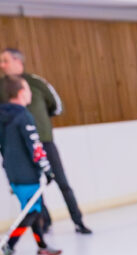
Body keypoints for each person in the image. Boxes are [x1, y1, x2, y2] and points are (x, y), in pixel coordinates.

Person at [0, 48, 92, 235]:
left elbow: (55, 106)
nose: (2, 65)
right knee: (33, 188)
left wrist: (38, 125)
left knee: (61, 181)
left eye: (5, 60)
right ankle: (44, 222)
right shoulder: (1, 87)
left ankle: (78, 221)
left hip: (44, 142)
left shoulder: (36, 82)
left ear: (18, 61)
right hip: (18, 148)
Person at [0, 75, 60, 255]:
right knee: (32, 211)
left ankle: (42, 246)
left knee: (35, 207)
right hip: (27, 173)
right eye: (27, 89)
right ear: (20, 93)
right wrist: (47, 169)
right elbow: (35, 145)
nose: (30, 94)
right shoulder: (24, 115)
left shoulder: (3, 116)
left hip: (13, 172)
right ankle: (9, 245)